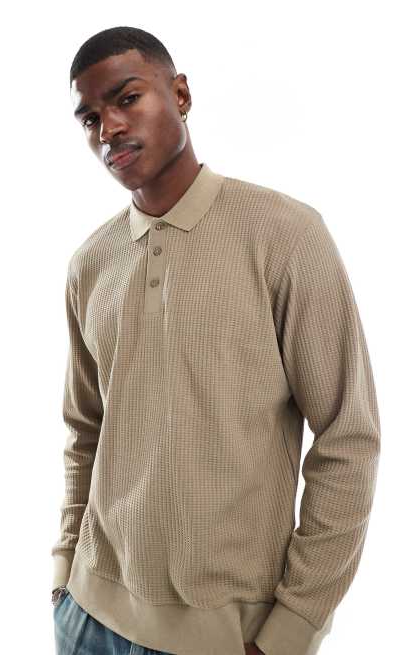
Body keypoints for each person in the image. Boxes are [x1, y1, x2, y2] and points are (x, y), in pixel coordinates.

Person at [51, 26, 381, 655]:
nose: (109, 128)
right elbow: (84, 430)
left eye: (127, 99)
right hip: (88, 618)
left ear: (180, 94)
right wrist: (64, 572)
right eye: (90, 118)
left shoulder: (286, 234)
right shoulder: (90, 264)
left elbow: (348, 436)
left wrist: (293, 626)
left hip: (231, 635)